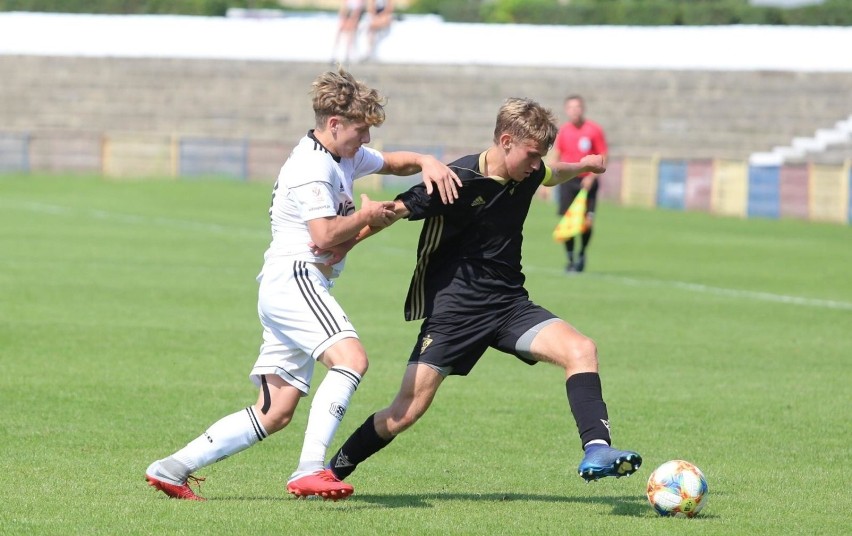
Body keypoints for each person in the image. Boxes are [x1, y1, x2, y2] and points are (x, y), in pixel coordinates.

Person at [144, 67, 461, 502]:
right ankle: (311, 469)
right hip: (297, 277)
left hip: (288, 284)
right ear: (334, 125)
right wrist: (365, 219)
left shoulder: (341, 155)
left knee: (274, 412)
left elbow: (391, 162)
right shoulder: (311, 166)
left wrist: (426, 161)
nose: (366, 140)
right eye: (361, 130)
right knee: (351, 359)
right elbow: (325, 236)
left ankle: (171, 468)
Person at [324, 97, 641, 494]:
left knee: (582, 349)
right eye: (530, 154)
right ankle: (332, 471)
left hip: (510, 306)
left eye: (539, 156)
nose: (535, 164)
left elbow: (551, 173)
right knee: (405, 411)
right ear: (506, 140)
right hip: (455, 312)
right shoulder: (454, 180)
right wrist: (347, 244)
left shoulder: (530, 170)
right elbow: (393, 211)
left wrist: (584, 167)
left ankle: (596, 450)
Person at [552, 94, 608, 273]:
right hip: (568, 181)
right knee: (568, 221)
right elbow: (557, 155)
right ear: (566, 110)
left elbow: (603, 155)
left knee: (586, 222)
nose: (574, 111)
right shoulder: (564, 131)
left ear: (583, 109)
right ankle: (570, 259)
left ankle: (582, 253)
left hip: (587, 182)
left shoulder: (594, 130)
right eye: (571, 107)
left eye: (578, 107)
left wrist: (592, 176)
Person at [331, 0, 365, 65]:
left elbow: (358, 11)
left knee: (351, 29)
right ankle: (334, 53)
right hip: (349, 15)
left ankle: (347, 54)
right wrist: (343, 20)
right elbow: (343, 9)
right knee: (340, 28)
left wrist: (352, 20)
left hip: (356, 16)